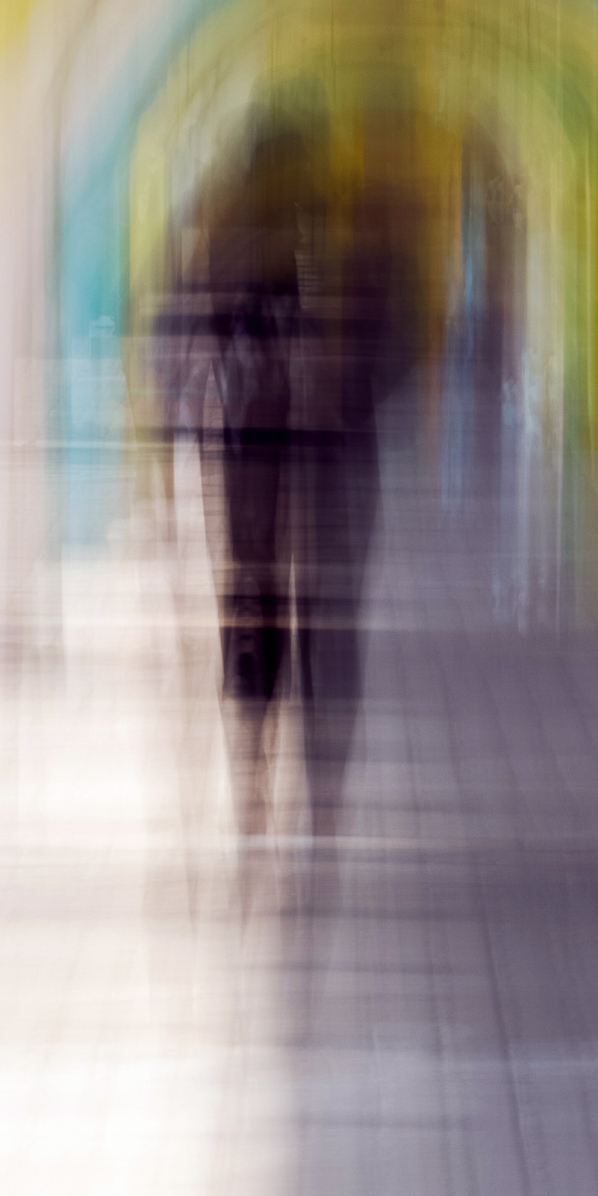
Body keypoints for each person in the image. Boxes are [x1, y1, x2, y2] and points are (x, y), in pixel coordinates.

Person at [159, 99, 406, 902]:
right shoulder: (340, 243)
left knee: (257, 611)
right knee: (318, 626)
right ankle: (312, 807)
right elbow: (392, 353)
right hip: (322, 463)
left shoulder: (230, 237)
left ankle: (257, 791)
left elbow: (180, 340)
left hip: (254, 459)